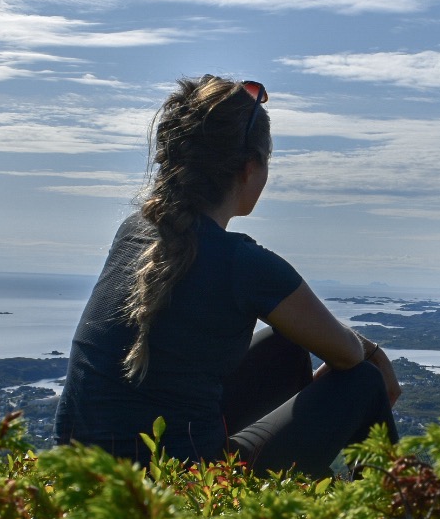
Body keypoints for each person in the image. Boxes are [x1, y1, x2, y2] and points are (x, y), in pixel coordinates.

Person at [54, 75, 400, 476]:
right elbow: (350, 355)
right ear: (248, 170)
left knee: (287, 345)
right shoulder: (245, 265)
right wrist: (373, 353)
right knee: (364, 382)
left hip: (79, 471)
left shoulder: (135, 229)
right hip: (182, 486)